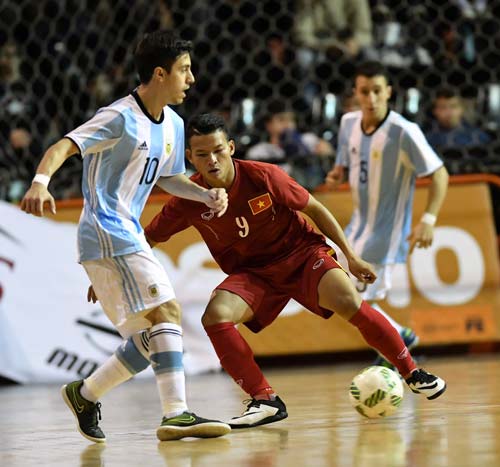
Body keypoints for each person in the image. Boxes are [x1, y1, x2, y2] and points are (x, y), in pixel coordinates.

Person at [140, 112, 446, 429]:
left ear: (231, 147)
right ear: (189, 157)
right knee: (215, 316)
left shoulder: (263, 176)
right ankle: (265, 400)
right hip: (255, 274)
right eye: (202, 154)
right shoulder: (188, 198)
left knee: (348, 300)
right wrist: (118, 270)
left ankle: (412, 372)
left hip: (301, 255)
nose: (212, 160)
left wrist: (350, 257)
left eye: (218, 150)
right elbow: (146, 237)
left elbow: (314, 208)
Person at [20, 30, 231, 443]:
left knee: (150, 339)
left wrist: (204, 194)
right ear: (159, 73)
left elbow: (169, 178)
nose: (192, 79)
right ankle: (177, 413)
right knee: (168, 314)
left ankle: (85, 394)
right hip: (107, 229)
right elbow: (64, 145)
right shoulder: (119, 117)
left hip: (120, 239)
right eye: (184, 70)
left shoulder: (172, 123)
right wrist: (40, 181)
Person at [325, 61, 450, 369]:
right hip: (355, 229)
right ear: (356, 93)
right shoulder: (348, 123)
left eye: (377, 91)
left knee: (355, 301)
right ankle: (400, 336)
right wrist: (336, 175)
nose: (371, 98)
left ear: (389, 92)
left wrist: (429, 219)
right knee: (337, 292)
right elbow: (345, 163)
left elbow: (440, 174)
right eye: (365, 91)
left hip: (385, 236)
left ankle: (394, 356)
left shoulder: (404, 132)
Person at [425, 87, 491, 150]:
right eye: (443, 107)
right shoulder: (425, 137)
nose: (449, 112)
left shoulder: (478, 136)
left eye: (453, 106)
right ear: (435, 111)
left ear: (461, 109)